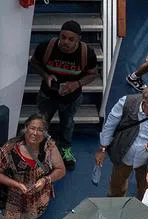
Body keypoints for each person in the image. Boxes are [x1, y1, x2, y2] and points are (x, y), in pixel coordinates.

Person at [30, 20, 99, 169]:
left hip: (71, 98)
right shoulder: (46, 47)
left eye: (71, 39)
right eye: (63, 37)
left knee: (67, 124)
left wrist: (76, 84)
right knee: (41, 122)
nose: (65, 42)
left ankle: (65, 148)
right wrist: (46, 76)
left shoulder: (87, 53)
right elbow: (34, 63)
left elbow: (93, 74)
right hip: (47, 95)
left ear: (78, 39)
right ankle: (39, 150)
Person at [94, 84, 148, 200]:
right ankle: (114, 206)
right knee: (117, 186)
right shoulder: (126, 103)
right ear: (145, 102)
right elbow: (110, 126)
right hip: (123, 155)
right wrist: (103, 149)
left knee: (146, 190)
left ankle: (140, 208)